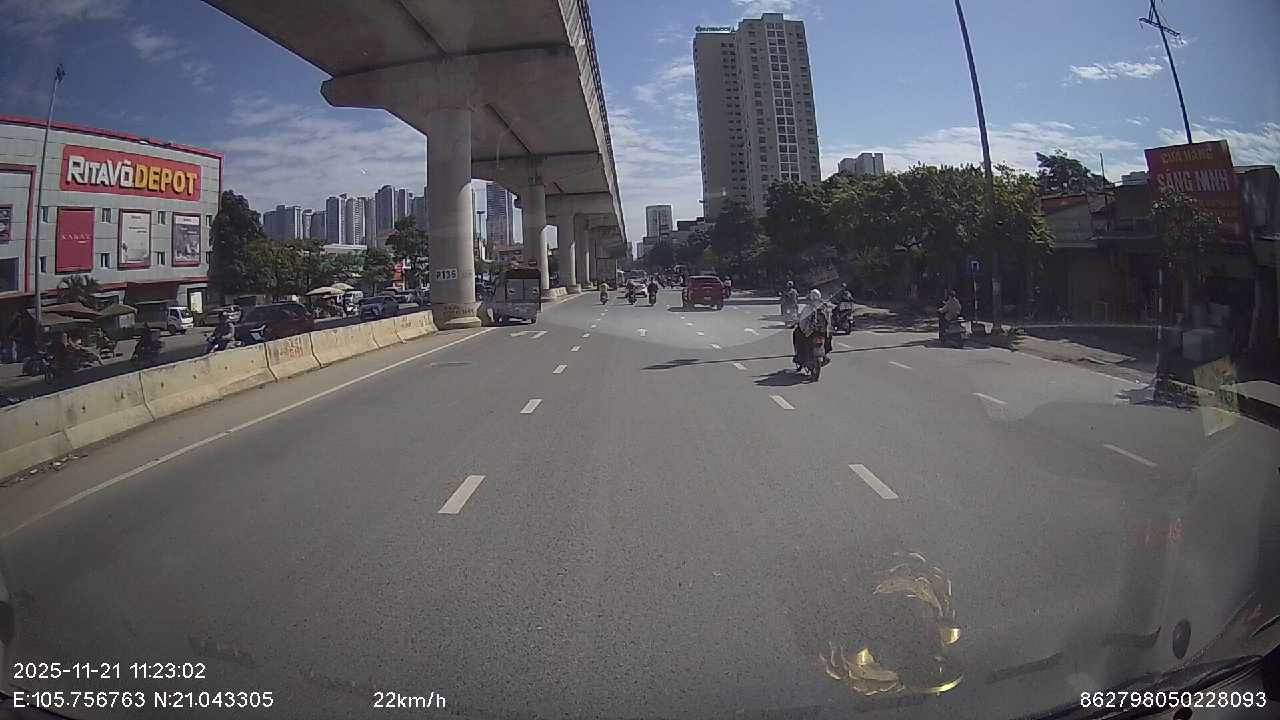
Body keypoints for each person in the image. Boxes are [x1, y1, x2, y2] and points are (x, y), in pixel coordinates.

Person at [793, 289, 833, 367]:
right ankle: (825, 355)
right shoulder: (824, 306)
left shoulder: (809, 307)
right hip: (823, 331)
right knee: (828, 338)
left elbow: (802, 320)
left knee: (797, 333)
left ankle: (799, 356)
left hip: (811, 331)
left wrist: (803, 328)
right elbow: (829, 319)